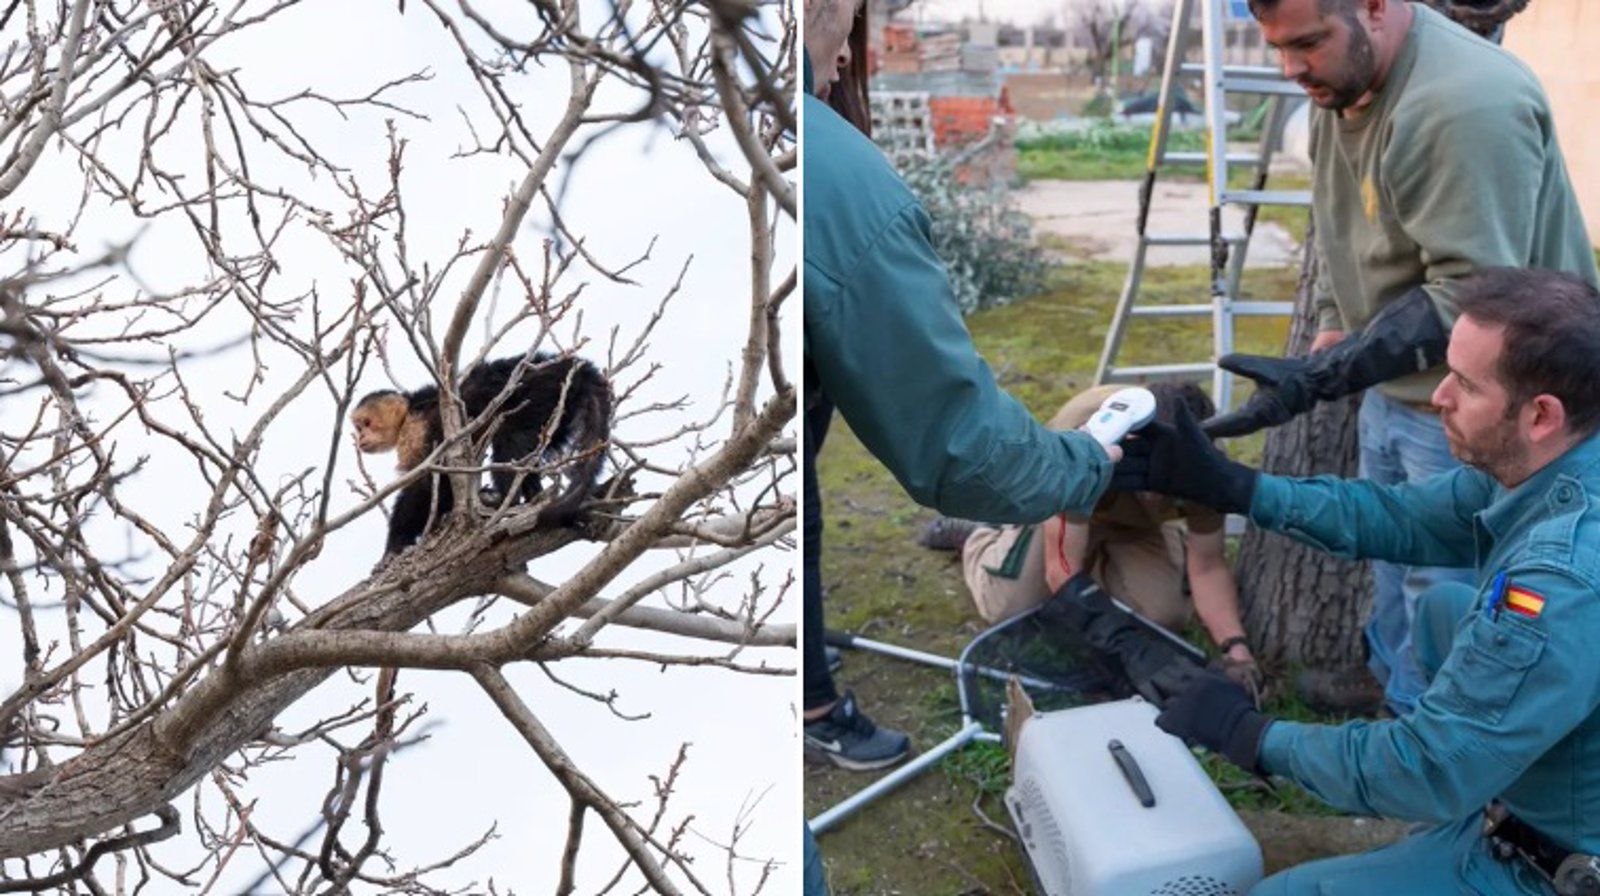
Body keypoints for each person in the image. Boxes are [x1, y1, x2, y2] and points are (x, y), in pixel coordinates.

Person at [1116, 268, 1600, 893]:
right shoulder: (1560, 452)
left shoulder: (1559, 579)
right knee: (1445, 611)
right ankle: (1491, 790)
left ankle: (1508, 841)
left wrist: (1253, 736)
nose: (1439, 398)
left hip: (1565, 866)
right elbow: (1400, 516)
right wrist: (1235, 487)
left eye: (1467, 386)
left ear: (1541, 415)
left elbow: (1427, 765)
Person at [1200, 0, 1598, 716]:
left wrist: (1327, 374)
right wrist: (1332, 328)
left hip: (1495, 399)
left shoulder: (1463, 105)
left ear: (1376, 7)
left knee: (1446, 586)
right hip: (1400, 382)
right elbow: (1339, 226)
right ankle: (1392, 683)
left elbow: (1474, 296)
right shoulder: (1344, 81)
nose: (1292, 69)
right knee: (1393, 558)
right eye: (1279, 48)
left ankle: (1430, 737)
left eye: (1309, 43)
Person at [802, 0, 1116, 771]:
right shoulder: (837, 176)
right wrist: (1095, 463)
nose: (846, 56)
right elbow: (955, 443)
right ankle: (809, 702)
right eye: (842, 22)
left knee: (796, 512)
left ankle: (803, 674)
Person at [923, 382, 1259, 689]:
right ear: (1131, 440)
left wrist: (1236, 649)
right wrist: (1117, 636)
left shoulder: (1204, 470)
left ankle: (1103, 559)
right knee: (1010, 608)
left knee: (1163, 618)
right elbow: (1062, 569)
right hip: (1058, 510)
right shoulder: (1087, 434)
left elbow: (1208, 566)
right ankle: (980, 538)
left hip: (1135, 527)